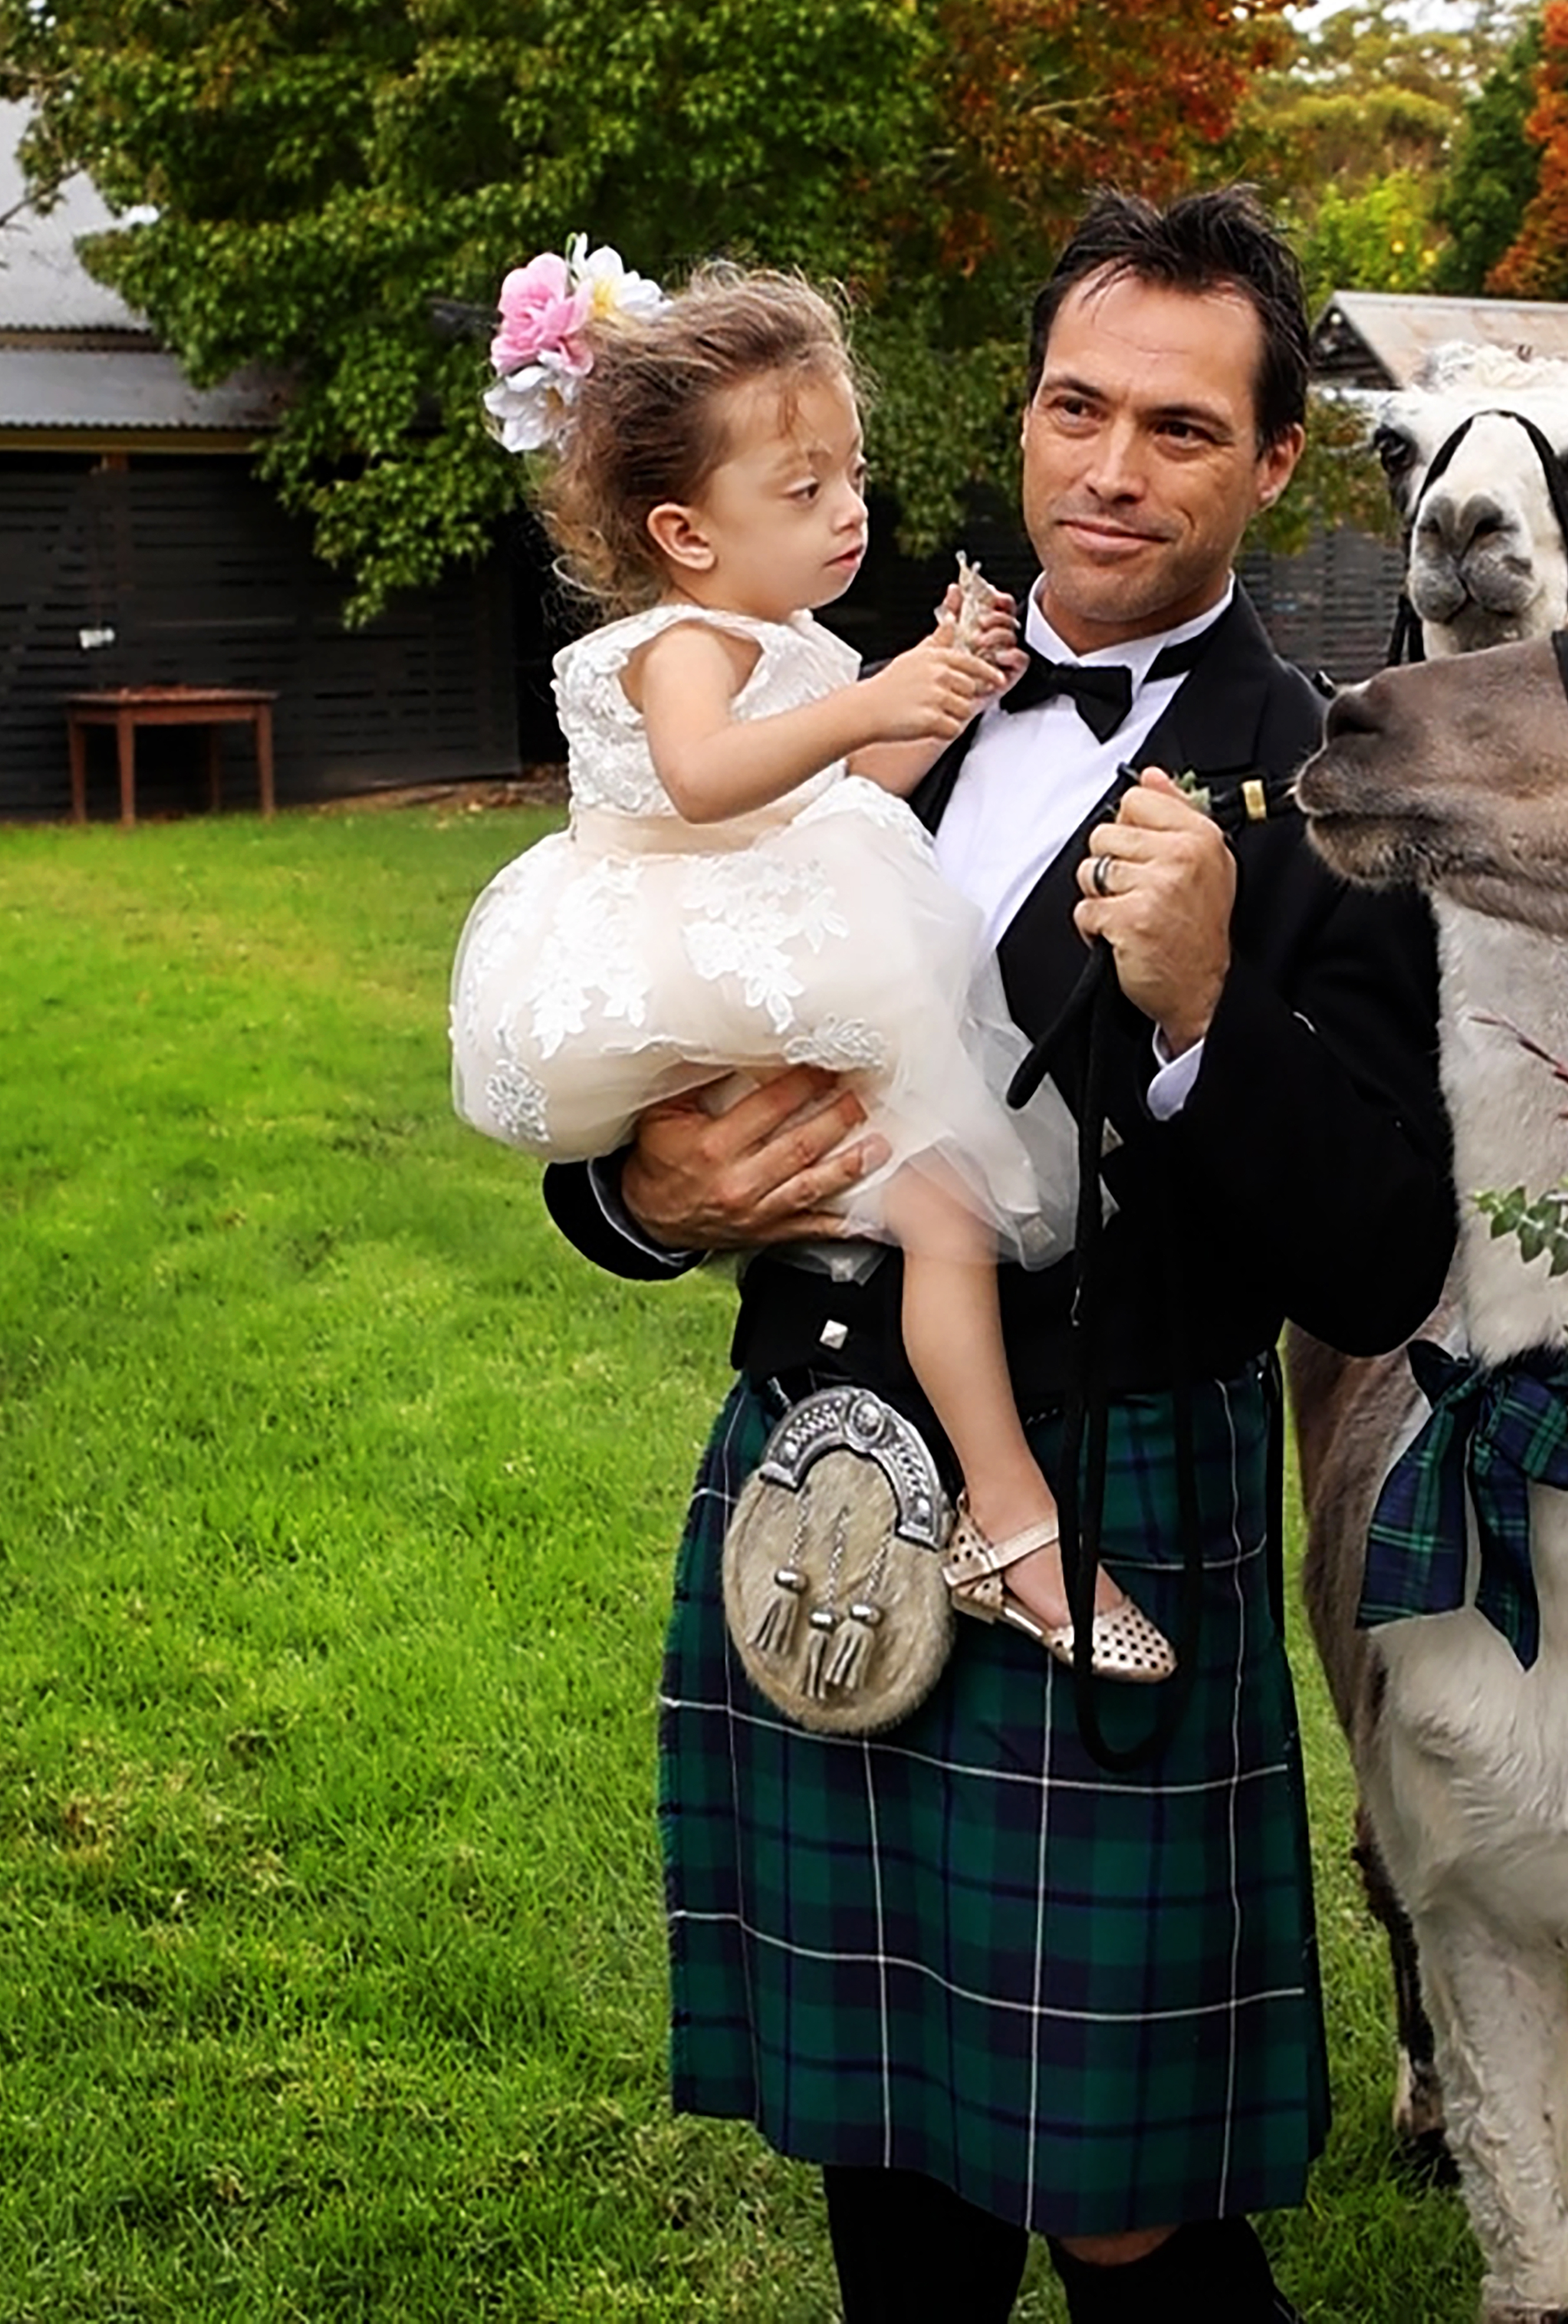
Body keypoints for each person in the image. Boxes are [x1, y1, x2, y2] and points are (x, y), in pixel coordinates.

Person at [542, 191, 1455, 2320]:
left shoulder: (1330, 787)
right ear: (1023, 415)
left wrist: (1214, 1016)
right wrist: (643, 1202)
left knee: (1128, 2203)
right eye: (1075, 408)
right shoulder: (842, 705)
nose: (1114, 468)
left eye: (1181, 427)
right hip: (821, 1449)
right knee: (885, 2147)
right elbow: (629, 1009)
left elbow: (1383, 1262)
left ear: (1273, 464)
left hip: (1108, 1477)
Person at [449, 264, 1169, 1673]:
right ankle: (1013, 1524)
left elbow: (857, 786)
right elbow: (709, 778)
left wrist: (938, 690)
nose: (849, 509)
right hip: (712, 972)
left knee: (954, 1216)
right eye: (803, 489)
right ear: (684, 532)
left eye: (851, 472)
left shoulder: (778, 640)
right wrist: (874, 696)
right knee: (952, 1216)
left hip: (792, 937)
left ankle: (1007, 1521)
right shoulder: (679, 647)